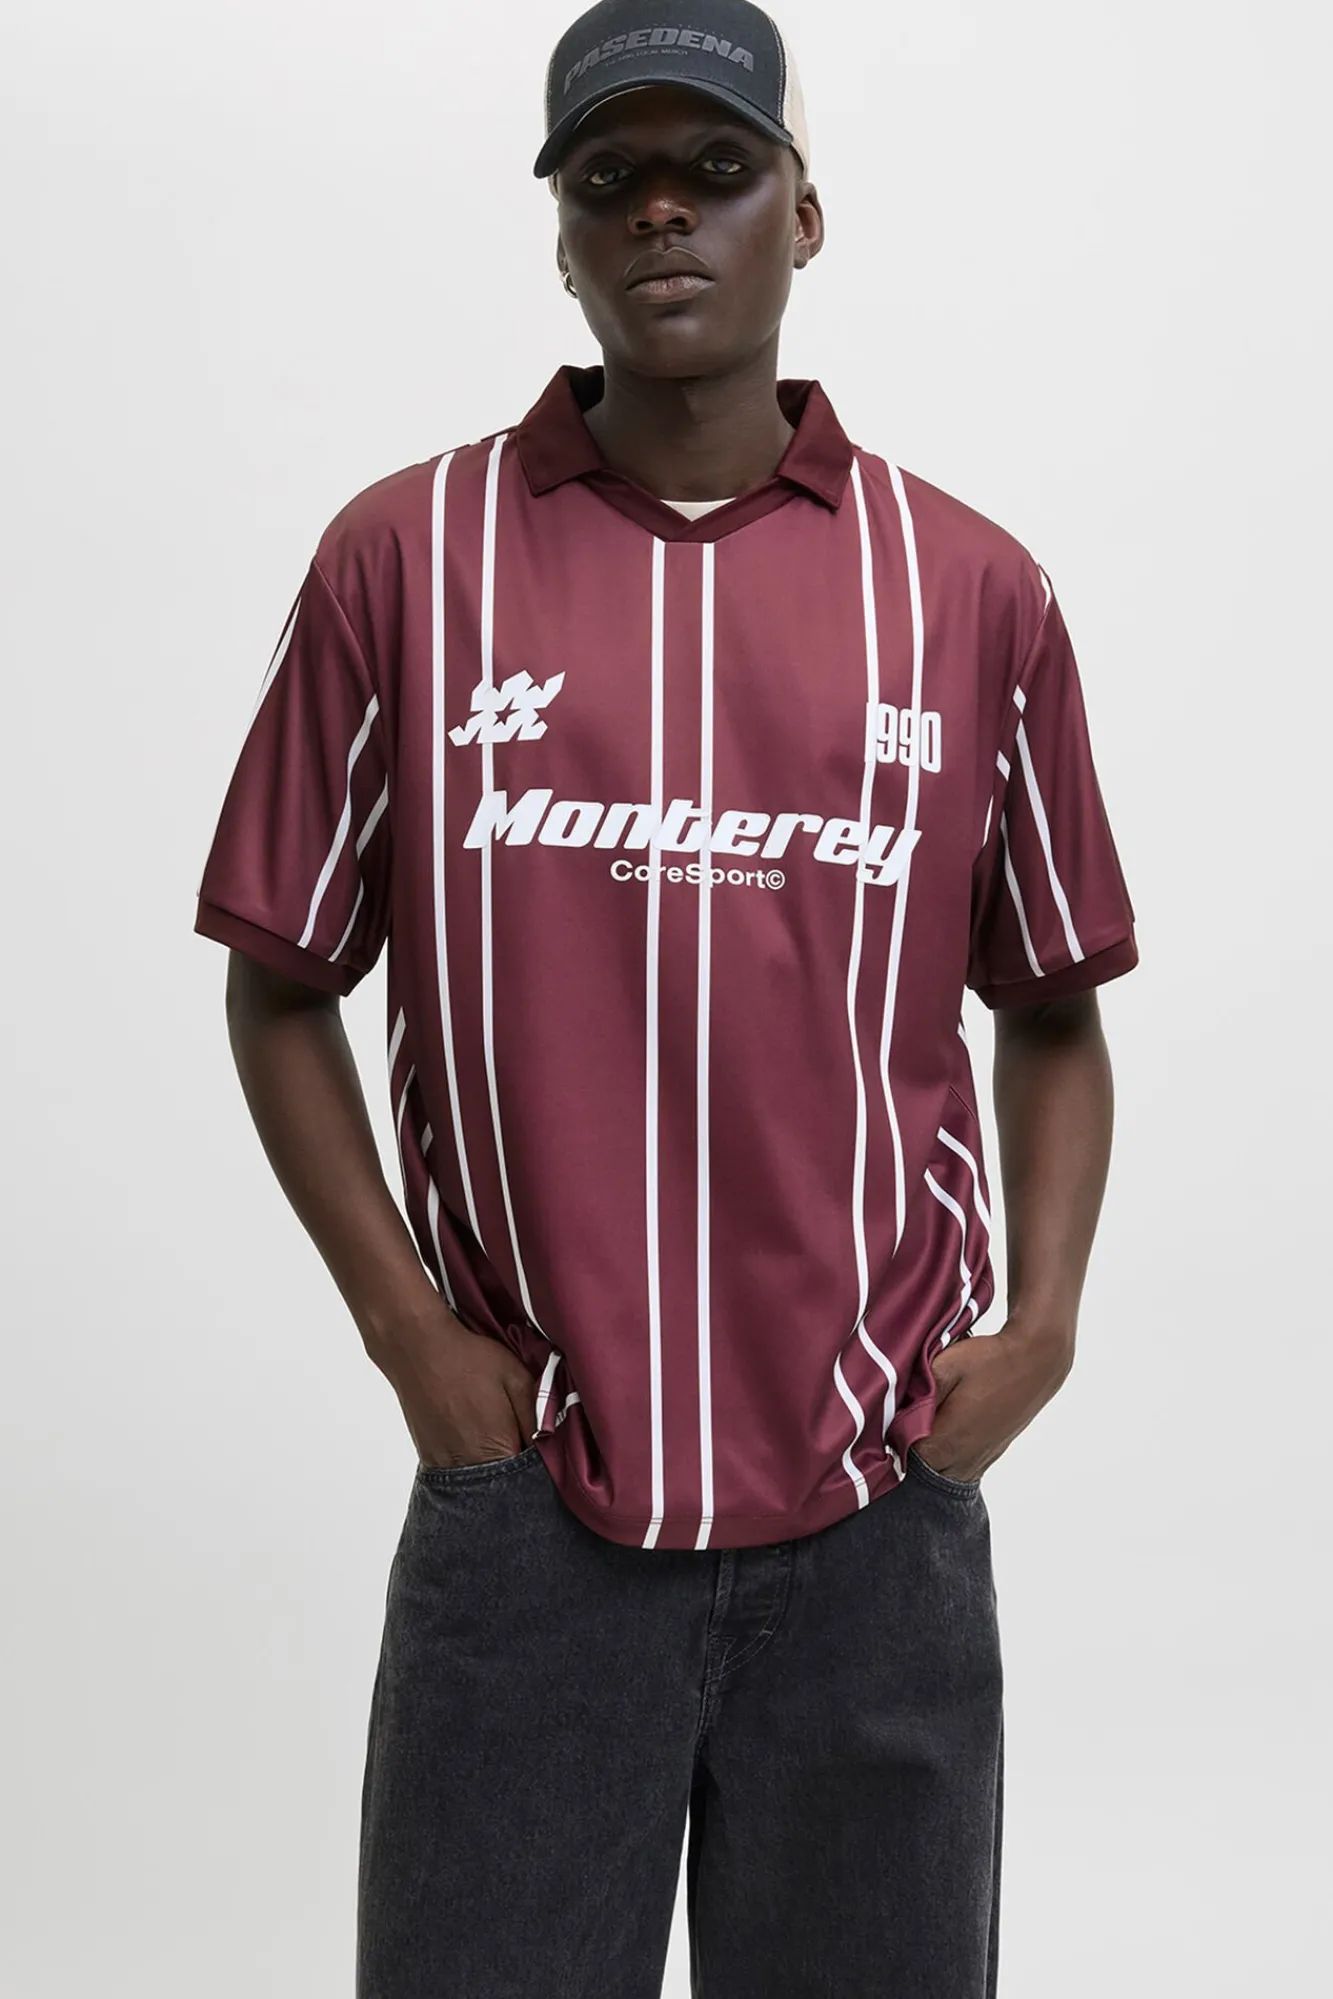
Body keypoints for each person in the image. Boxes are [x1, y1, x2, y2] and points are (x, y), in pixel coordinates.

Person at [193, 2, 1138, 1992]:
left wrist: (1043, 1324)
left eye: (714, 169)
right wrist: (412, 1339)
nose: (661, 214)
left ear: (806, 211)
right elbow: (278, 981)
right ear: (559, 237)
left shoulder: (970, 590)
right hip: (530, 1512)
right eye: (608, 178)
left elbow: (1050, 997)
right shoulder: (405, 560)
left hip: (877, 1509)